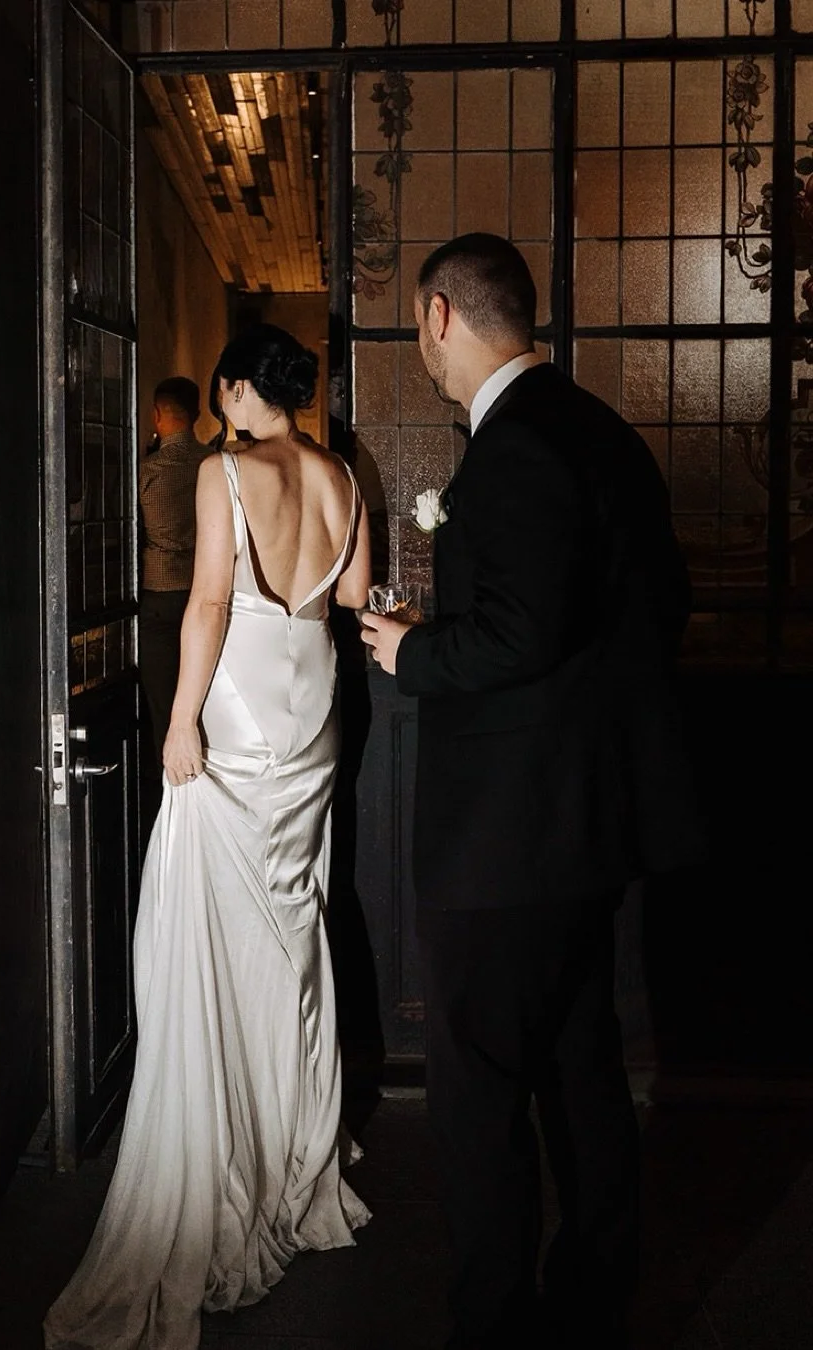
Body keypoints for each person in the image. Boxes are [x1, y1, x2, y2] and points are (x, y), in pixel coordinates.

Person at [362, 235, 705, 1350]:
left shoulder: (513, 451)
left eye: (422, 330)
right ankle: (597, 1297)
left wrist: (413, 652)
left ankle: (497, 1322)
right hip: (591, 828)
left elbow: (517, 630)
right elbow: (662, 603)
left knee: (478, 1094)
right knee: (581, 1067)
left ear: (440, 316)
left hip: (507, 842)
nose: (425, 349)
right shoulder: (605, 434)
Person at [44, 324, 372, 1350]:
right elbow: (356, 602)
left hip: (236, 699)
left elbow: (210, 604)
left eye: (225, 389)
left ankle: (224, 1140)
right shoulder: (341, 474)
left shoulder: (228, 469)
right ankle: (293, 1146)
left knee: (210, 927)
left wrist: (181, 719)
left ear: (234, 389)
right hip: (315, 703)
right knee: (292, 916)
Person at [138, 376, 210, 768]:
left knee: (163, 708)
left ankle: (166, 790)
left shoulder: (147, 471)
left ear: (157, 414)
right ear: (197, 413)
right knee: (206, 704)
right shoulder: (212, 466)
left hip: (160, 597)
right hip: (205, 591)